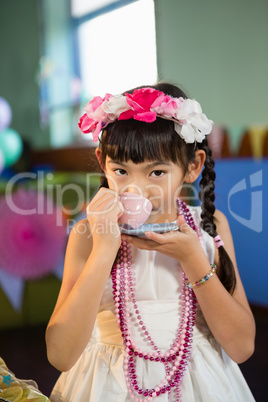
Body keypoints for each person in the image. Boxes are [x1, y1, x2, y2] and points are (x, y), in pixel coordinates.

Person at [46, 83, 256, 402]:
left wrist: (193, 259)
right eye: (121, 171)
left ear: (193, 167)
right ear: (102, 162)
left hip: (202, 383)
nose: (136, 189)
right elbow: (60, 355)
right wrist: (104, 251)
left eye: (156, 172)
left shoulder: (211, 228)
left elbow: (241, 348)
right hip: (106, 384)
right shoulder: (88, 235)